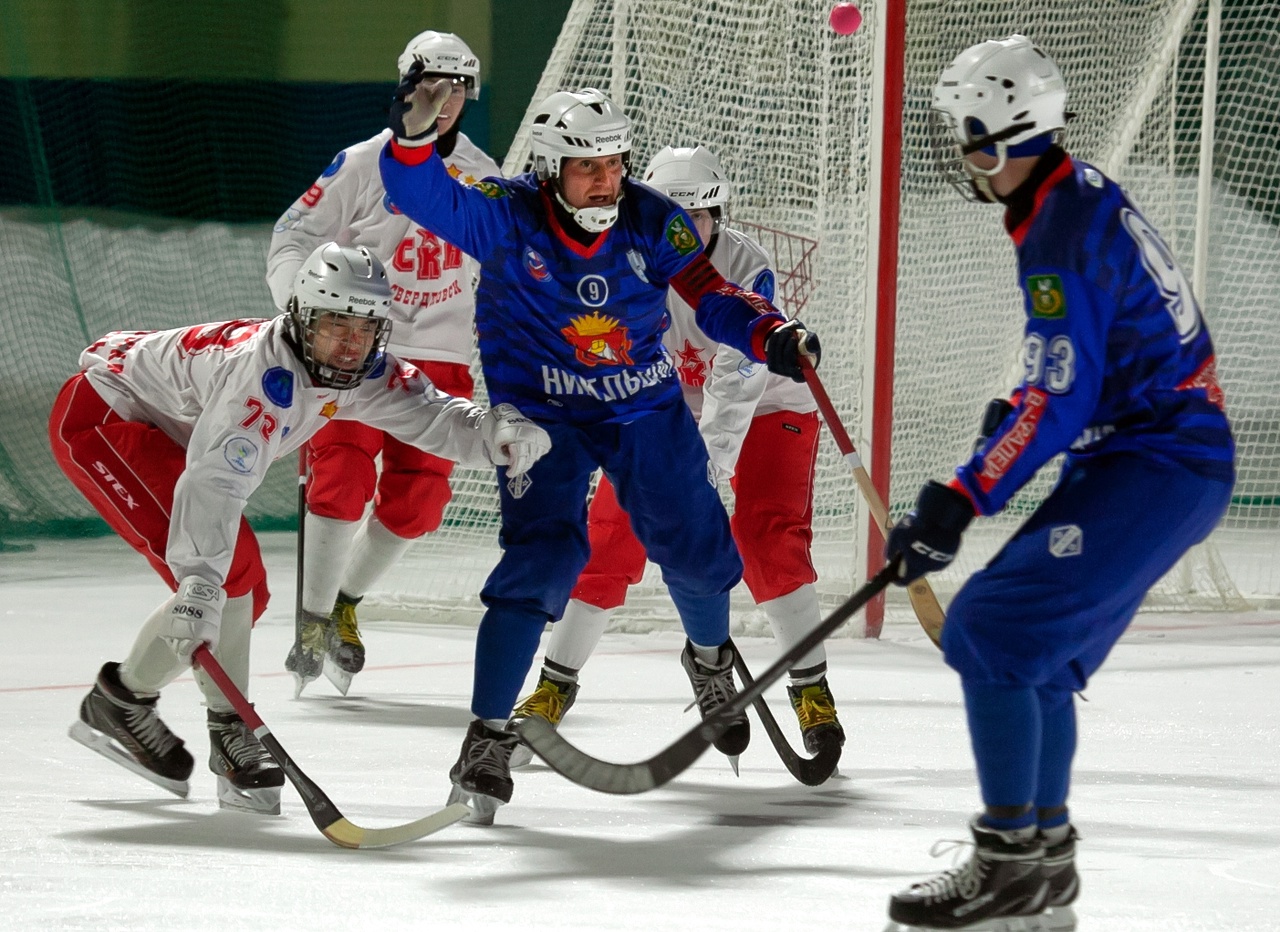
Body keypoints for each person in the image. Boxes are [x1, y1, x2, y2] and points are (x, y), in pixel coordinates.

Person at [379, 73, 823, 824]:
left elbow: (710, 291)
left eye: (616, 162)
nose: (607, 180)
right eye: (589, 166)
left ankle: (711, 659)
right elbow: (424, 194)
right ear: (551, 169)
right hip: (541, 415)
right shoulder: (507, 215)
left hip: (640, 405)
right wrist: (413, 142)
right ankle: (485, 739)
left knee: (699, 547)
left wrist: (765, 329)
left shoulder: (652, 217)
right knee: (539, 566)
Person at [882, 35, 1235, 931]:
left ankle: (1008, 865)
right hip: (1154, 454)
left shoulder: (1060, 231)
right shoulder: (1073, 198)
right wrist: (1019, 426)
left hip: (1158, 461)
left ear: (994, 138)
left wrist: (960, 498)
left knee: (993, 627)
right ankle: (1040, 870)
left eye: (962, 136)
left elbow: (1062, 399)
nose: (956, 154)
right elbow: (1081, 374)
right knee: (1031, 653)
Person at [53, 242, 549, 816]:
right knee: (225, 578)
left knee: (242, 590)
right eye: (335, 323)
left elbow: (434, 413)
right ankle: (228, 731)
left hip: (168, 432)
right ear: (301, 319)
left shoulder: (360, 369)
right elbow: (214, 486)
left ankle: (122, 699)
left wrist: (495, 433)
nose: (350, 342)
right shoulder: (264, 381)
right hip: (106, 418)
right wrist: (196, 581)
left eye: (364, 327)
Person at [507, 145, 842, 772]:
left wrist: (711, 466)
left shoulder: (747, 266)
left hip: (770, 406)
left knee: (768, 539)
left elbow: (737, 379)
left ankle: (810, 688)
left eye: (702, 217)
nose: (688, 232)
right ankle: (553, 687)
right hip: (660, 410)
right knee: (609, 539)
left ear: (721, 213)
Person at [267, 31, 502, 695]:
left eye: (459, 87)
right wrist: (297, 308)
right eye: (434, 84)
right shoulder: (361, 164)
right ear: (407, 87)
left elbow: (515, 268)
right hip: (356, 351)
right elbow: (293, 234)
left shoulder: (485, 178)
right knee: (338, 477)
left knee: (419, 506)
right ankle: (313, 619)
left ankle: (342, 600)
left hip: (444, 360)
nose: (446, 98)